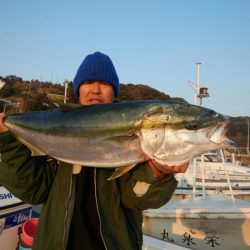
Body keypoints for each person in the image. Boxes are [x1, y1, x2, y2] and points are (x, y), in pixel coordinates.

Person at [0, 51, 188, 250]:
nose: (96, 90)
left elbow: (135, 200)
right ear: (78, 89)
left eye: (104, 84)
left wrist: (157, 172)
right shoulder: (56, 126)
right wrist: (6, 141)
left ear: (114, 92)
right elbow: (34, 191)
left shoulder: (140, 146)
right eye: (88, 82)